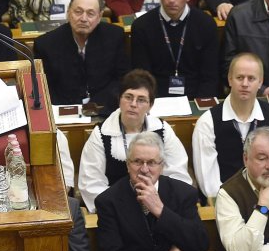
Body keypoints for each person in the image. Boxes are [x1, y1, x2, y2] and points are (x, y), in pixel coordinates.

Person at [95, 133, 210, 251]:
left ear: (162, 166)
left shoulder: (183, 193)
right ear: (127, 165)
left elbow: (199, 244)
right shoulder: (108, 201)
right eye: (137, 162)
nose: (144, 169)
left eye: (151, 163)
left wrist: (160, 211)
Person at [77, 69, 191, 212]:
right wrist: (127, 208)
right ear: (119, 99)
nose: (133, 104)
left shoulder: (162, 130)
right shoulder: (101, 134)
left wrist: (155, 204)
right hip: (117, 212)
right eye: (128, 97)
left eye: (141, 100)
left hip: (158, 206)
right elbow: (91, 184)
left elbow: (178, 175)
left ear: (150, 106)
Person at [191, 52, 269, 198]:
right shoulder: (207, 123)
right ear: (230, 79)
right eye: (240, 77)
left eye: (251, 78)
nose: (245, 84)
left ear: (260, 82)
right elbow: (209, 185)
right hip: (227, 202)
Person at [130, 0, 220, 99]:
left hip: (195, 97)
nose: (172, 0)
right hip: (156, 98)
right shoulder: (142, 26)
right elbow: (142, 78)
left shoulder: (206, 24)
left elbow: (210, 76)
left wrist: (199, 105)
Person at [33, 0, 128, 111]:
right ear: (68, 12)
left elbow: (122, 79)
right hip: (64, 109)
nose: (83, 18)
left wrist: (96, 106)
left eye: (90, 14)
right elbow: (45, 88)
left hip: (105, 107)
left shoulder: (114, 36)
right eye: (78, 12)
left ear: (99, 16)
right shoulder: (46, 44)